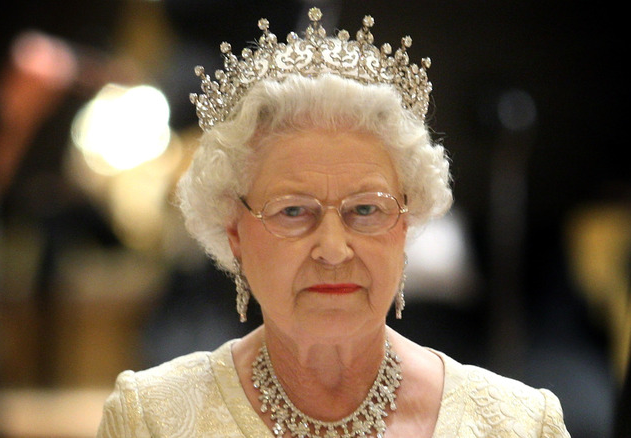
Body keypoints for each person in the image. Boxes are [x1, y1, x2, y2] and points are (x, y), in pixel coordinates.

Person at [97, 8, 570, 437]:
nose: (333, 248)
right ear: (234, 231)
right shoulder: (151, 419)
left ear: (406, 224)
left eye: (366, 210)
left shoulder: (520, 425)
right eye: (293, 211)